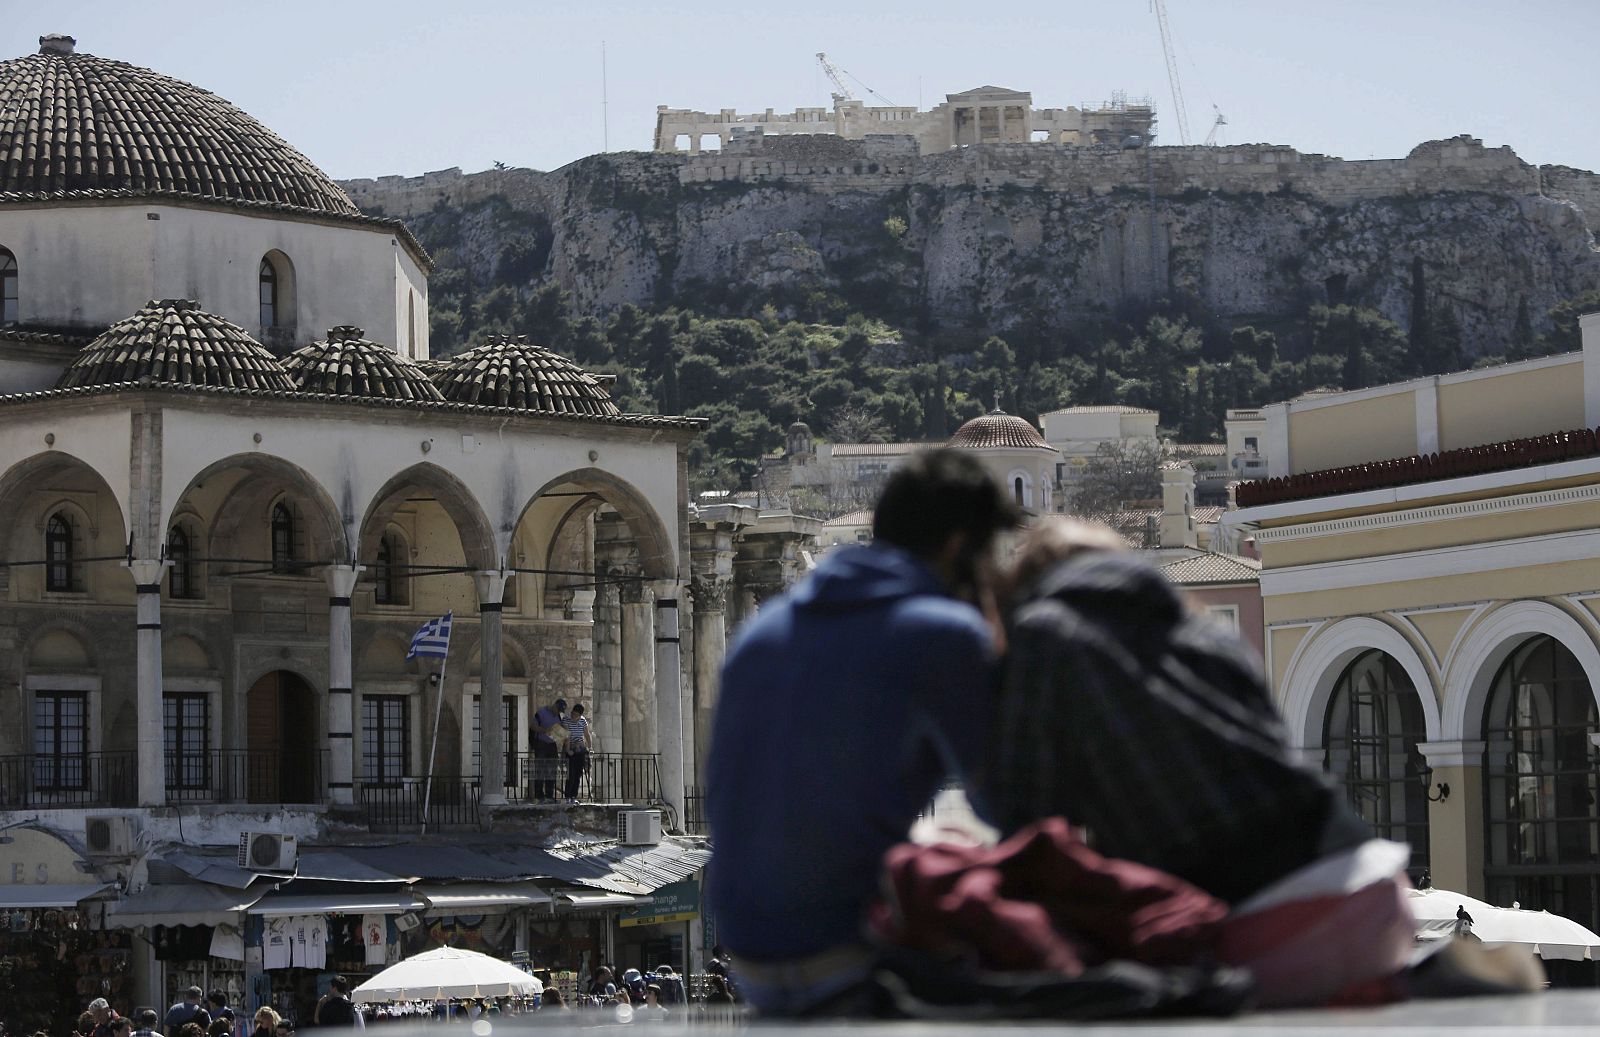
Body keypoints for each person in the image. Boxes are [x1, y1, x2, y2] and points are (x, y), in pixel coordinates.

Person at [984, 516, 1541, 1006]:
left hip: (1264, 918)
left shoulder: (1047, 632)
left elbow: (1029, 823)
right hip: (1372, 884)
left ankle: (1408, 985)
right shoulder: (1205, 631)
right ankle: (1420, 977)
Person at [708, 448, 1017, 1016]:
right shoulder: (943, 634)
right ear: (959, 548)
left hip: (748, 956)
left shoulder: (762, 631)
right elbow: (1012, 808)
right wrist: (996, 644)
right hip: (847, 951)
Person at [530, 697, 567, 801]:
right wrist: (544, 730)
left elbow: (562, 729)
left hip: (552, 745)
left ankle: (549, 795)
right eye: (558, 709)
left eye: (560, 711)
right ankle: (539, 796)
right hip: (541, 744)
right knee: (540, 770)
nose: (558, 712)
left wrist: (563, 733)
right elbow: (533, 726)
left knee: (552, 771)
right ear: (555, 705)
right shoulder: (541, 713)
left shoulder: (560, 716)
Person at [561, 703, 592, 804]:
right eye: (573, 714)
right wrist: (568, 750)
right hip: (571, 749)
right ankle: (567, 796)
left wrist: (590, 747)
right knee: (571, 774)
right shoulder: (566, 720)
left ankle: (573, 796)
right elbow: (566, 736)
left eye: (576, 715)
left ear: (580, 715)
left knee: (578, 774)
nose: (574, 716)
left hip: (580, 750)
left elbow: (587, 734)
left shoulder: (583, 721)